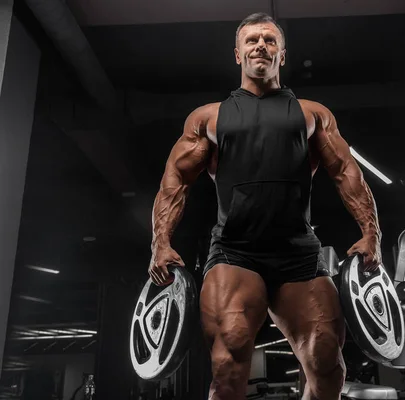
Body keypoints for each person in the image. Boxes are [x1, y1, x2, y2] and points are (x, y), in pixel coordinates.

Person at [148, 12, 382, 400]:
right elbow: (174, 183)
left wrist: (372, 233)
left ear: (282, 55)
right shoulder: (209, 118)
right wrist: (160, 242)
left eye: (270, 40)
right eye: (252, 40)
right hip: (235, 253)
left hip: (299, 255)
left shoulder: (313, 115)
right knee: (227, 367)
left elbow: (346, 174)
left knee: (328, 366)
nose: (261, 45)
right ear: (237, 54)